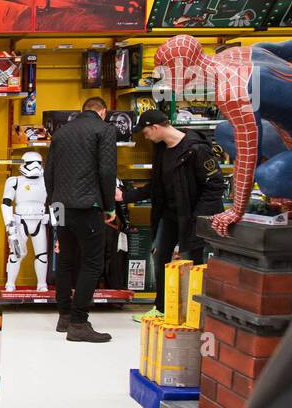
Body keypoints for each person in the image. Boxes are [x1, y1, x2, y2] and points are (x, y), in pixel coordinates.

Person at [125, 109, 226, 318]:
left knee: (191, 261)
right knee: (159, 255)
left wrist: (197, 220)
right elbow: (156, 186)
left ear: (155, 127)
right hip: (169, 215)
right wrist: (127, 196)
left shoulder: (197, 149)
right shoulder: (161, 149)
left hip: (192, 216)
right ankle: (162, 308)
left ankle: (193, 312)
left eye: (145, 133)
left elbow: (214, 186)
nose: (146, 137)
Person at [44, 97, 116, 342]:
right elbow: (107, 170)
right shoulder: (104, 130)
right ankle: (78, 322)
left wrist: (53, 201)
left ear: (83, 110)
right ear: (102, 112)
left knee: (65, 258)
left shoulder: (61, 132)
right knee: (92, 262)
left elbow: (48, 170)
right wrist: (108, 205)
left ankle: (64, 315)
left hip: (61, 205)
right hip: (88, 206)